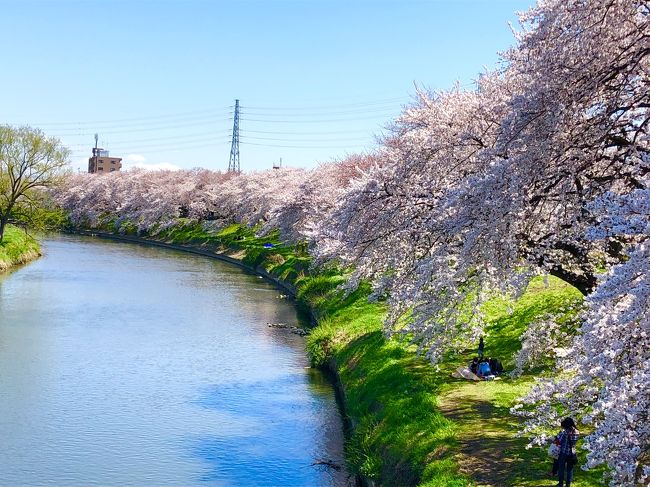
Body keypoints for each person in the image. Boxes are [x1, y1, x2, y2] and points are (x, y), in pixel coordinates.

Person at [556, 417, 579, 487]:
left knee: (561, 469)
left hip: (563, 452)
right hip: (572, 453)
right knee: (570, 469)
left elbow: (558, 440)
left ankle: (560, 484)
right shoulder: (577, 432)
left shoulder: (564, 432)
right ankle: (568, 484)